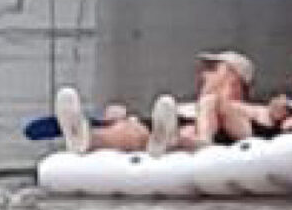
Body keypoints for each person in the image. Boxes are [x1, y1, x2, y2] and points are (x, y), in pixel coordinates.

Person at [56, 51, 265, 157]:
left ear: (234, 78)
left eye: (214, 68)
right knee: (134, 128)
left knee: (205, 108)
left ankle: (196, 141)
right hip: (167, 133)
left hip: (211, 138)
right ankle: (86, 137)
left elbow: (268, 121)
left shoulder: (246, 109)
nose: (203, 74)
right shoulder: (187, 105)